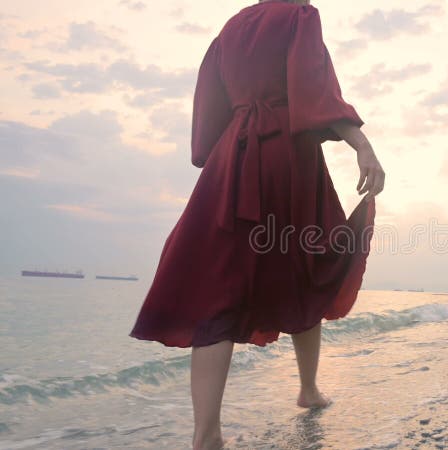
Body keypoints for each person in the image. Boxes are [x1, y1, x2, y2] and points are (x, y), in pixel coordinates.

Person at [127, 0, 384, 448]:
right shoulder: (299, 15)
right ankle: (308, 390)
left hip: (233, 158)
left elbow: (208, 115)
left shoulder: (228, 30)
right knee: (308, 265)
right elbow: (314, 86)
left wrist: (222, 153)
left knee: (217, 287)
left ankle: (206, 434)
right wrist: (361, 144)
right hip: (288, 156)